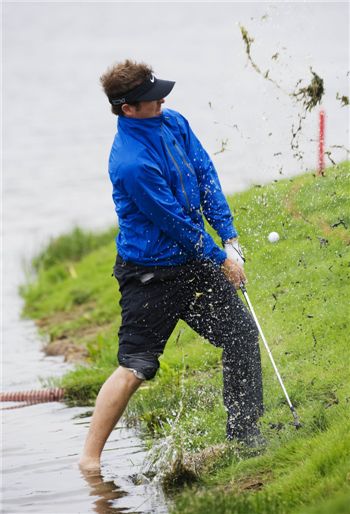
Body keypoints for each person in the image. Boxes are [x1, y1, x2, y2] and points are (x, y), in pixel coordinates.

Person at [79, 59, 264, 472]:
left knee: (240, 336)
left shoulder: (172, 121)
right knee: (136, 368)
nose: (161, 98)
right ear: (128, 108)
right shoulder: (131, 162)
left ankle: (246, 435)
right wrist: (221, 259)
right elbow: (175, 223)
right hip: (149, 277)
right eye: (151, 96)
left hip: (192, 265)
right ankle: (89, 461)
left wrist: (229, 236)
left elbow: (205, 174)